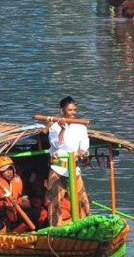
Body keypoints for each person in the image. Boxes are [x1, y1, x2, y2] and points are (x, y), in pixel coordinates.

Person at [46, 97, 91, 227]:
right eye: (69, 110)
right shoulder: (54, 126)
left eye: (74, 110)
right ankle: (55, 229)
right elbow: (56, 144)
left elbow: (84, 144)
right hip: (58, 167)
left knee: (82, 200)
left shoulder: (81, 126)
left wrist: (82, 151)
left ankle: (86, 225)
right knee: (56, 200)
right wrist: (63, 128)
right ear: (62, 110)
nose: (72, 113)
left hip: (74, 167)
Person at [0, 155, 34, 233]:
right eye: (5, 170)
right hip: (1, 218)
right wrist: (4, 208)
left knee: (35, 213)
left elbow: (27, 204)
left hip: (15, 216)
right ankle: (3, 231)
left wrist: (18, 203)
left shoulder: (18, 182)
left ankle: (16, 232)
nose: (9, 172)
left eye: (10, 168)